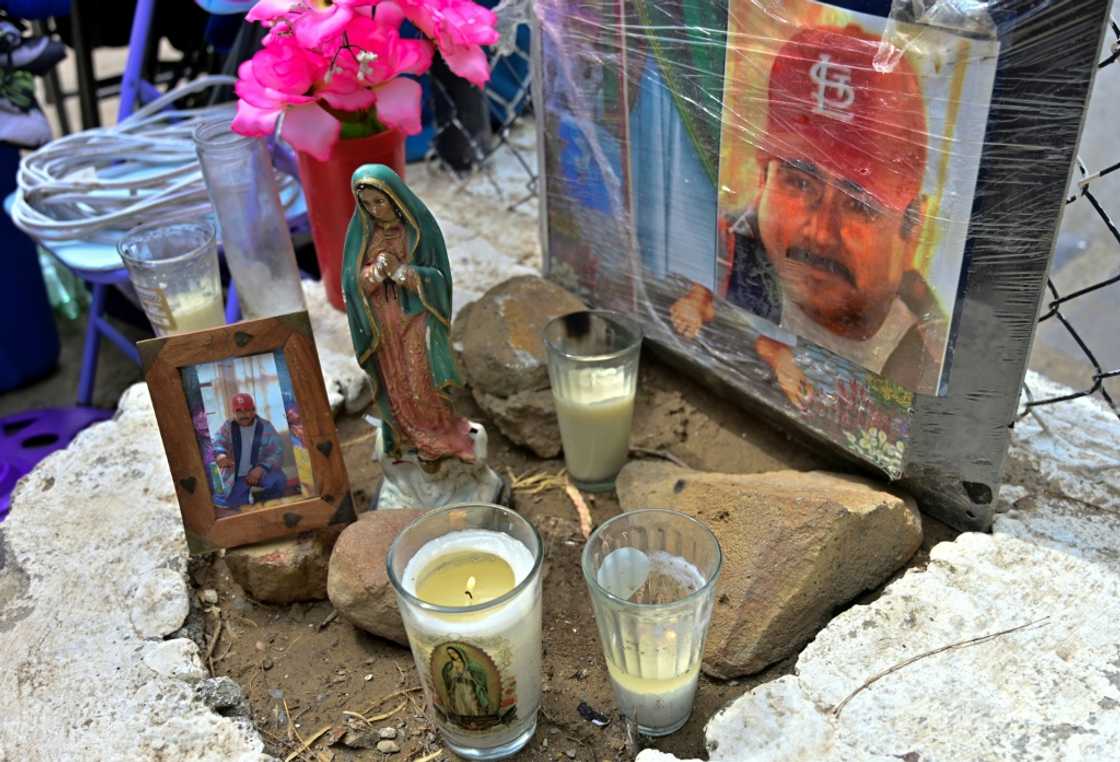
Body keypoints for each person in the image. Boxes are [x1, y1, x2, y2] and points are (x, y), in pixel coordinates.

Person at [670, 24, 947, 401]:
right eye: (799, 184)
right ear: (763, 181)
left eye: (859, 204)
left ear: (912, 226)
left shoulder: (926, 362)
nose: (819, 232)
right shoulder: (718, 255)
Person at [341, 164, 476, 463]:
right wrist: (375, 273)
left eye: (380, 201)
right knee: (395, 380)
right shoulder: (363, 235)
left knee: (421, 377)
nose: (375, 209)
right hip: (382, 325)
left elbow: (439, 277)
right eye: (367, 204)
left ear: (394, 196)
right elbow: (352, 283)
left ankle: (438, 432)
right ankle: (406, 434)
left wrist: (404, 273)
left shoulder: (420, 230)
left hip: (415, 318)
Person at [212, 392, 286, 509]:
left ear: (253, 410)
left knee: (279, 480)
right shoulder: (228, 426)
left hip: (260, 472)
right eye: (239, 411)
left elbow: (277, 451)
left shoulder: (265, 426)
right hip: (236, 476)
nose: (243, 415)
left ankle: (266, 503)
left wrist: (261, 468)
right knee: (228, 505)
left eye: (247, 410)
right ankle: (247, 497)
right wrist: (220, 455)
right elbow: (217, 442)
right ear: (233, 412)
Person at [441, 645, 493, 718]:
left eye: (453, 652)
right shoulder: (450, 666)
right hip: (457, 688)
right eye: (450, 654)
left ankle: (477, 719)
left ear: (459, 652)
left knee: (471, 704)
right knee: (460, 705)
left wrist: (472, 681)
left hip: (469, 688)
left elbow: (479, 677)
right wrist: (452, 680)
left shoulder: (471, 665)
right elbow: (447, 677)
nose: (452, 655)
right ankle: (463, 720)